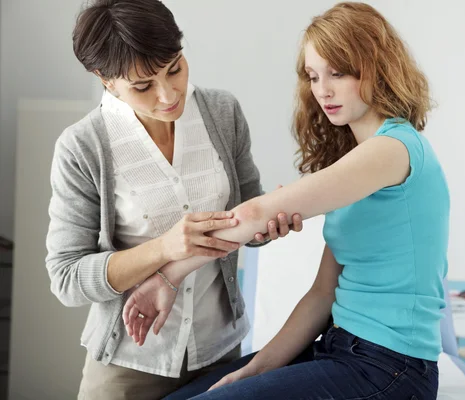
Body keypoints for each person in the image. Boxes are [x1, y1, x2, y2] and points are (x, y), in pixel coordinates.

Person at [126, 2, 450, 400]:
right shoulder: (355, 168)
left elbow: (256, 213)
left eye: (338, 73)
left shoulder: (394, 149)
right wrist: (255, 370)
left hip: (390, 369)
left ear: (377, 67)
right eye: (313, 76)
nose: (322, 90)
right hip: (338, 348)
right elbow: (322, 294)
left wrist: (168, 276)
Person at [44, 1, 303, 399]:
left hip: (221, 351)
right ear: (105, 78)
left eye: (175, 69)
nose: (168, 95)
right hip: (130, 363)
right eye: (143, 86)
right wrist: (164, 247)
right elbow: (67, 279)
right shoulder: (83, 147)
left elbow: (249, 218)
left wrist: (269, 222)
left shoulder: (222, 113)